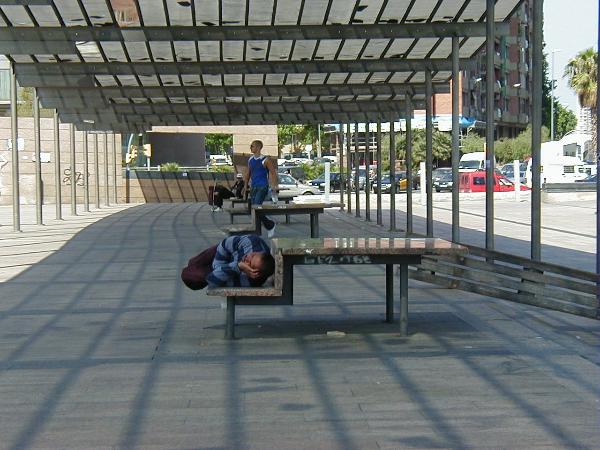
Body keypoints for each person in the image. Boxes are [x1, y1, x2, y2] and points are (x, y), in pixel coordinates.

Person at [181, 234, 275, 290]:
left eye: (250, 264)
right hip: (223, 252)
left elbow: (212, 280)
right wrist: (219, 266)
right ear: (259, 252)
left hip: (225, 270)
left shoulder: (250, 281)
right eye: (253, 255)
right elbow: (225, 243)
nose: (247, 258)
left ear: (255, 273)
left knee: (188, 276)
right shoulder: (252, 242)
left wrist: (238, 266)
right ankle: (196, 265)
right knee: (192, 262)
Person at [243, 140, 279, 238]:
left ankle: (270, 225)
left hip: (263, 186)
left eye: (252, 146)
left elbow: (273, 173)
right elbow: (248, 173)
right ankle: (260, 231)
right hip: (253, 187)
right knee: (253, 209)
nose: (250, 148)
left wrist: (274, 186)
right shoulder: (250, 160)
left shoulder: (265, 160)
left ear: (258, 147)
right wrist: (245, 185)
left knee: (256, 207)